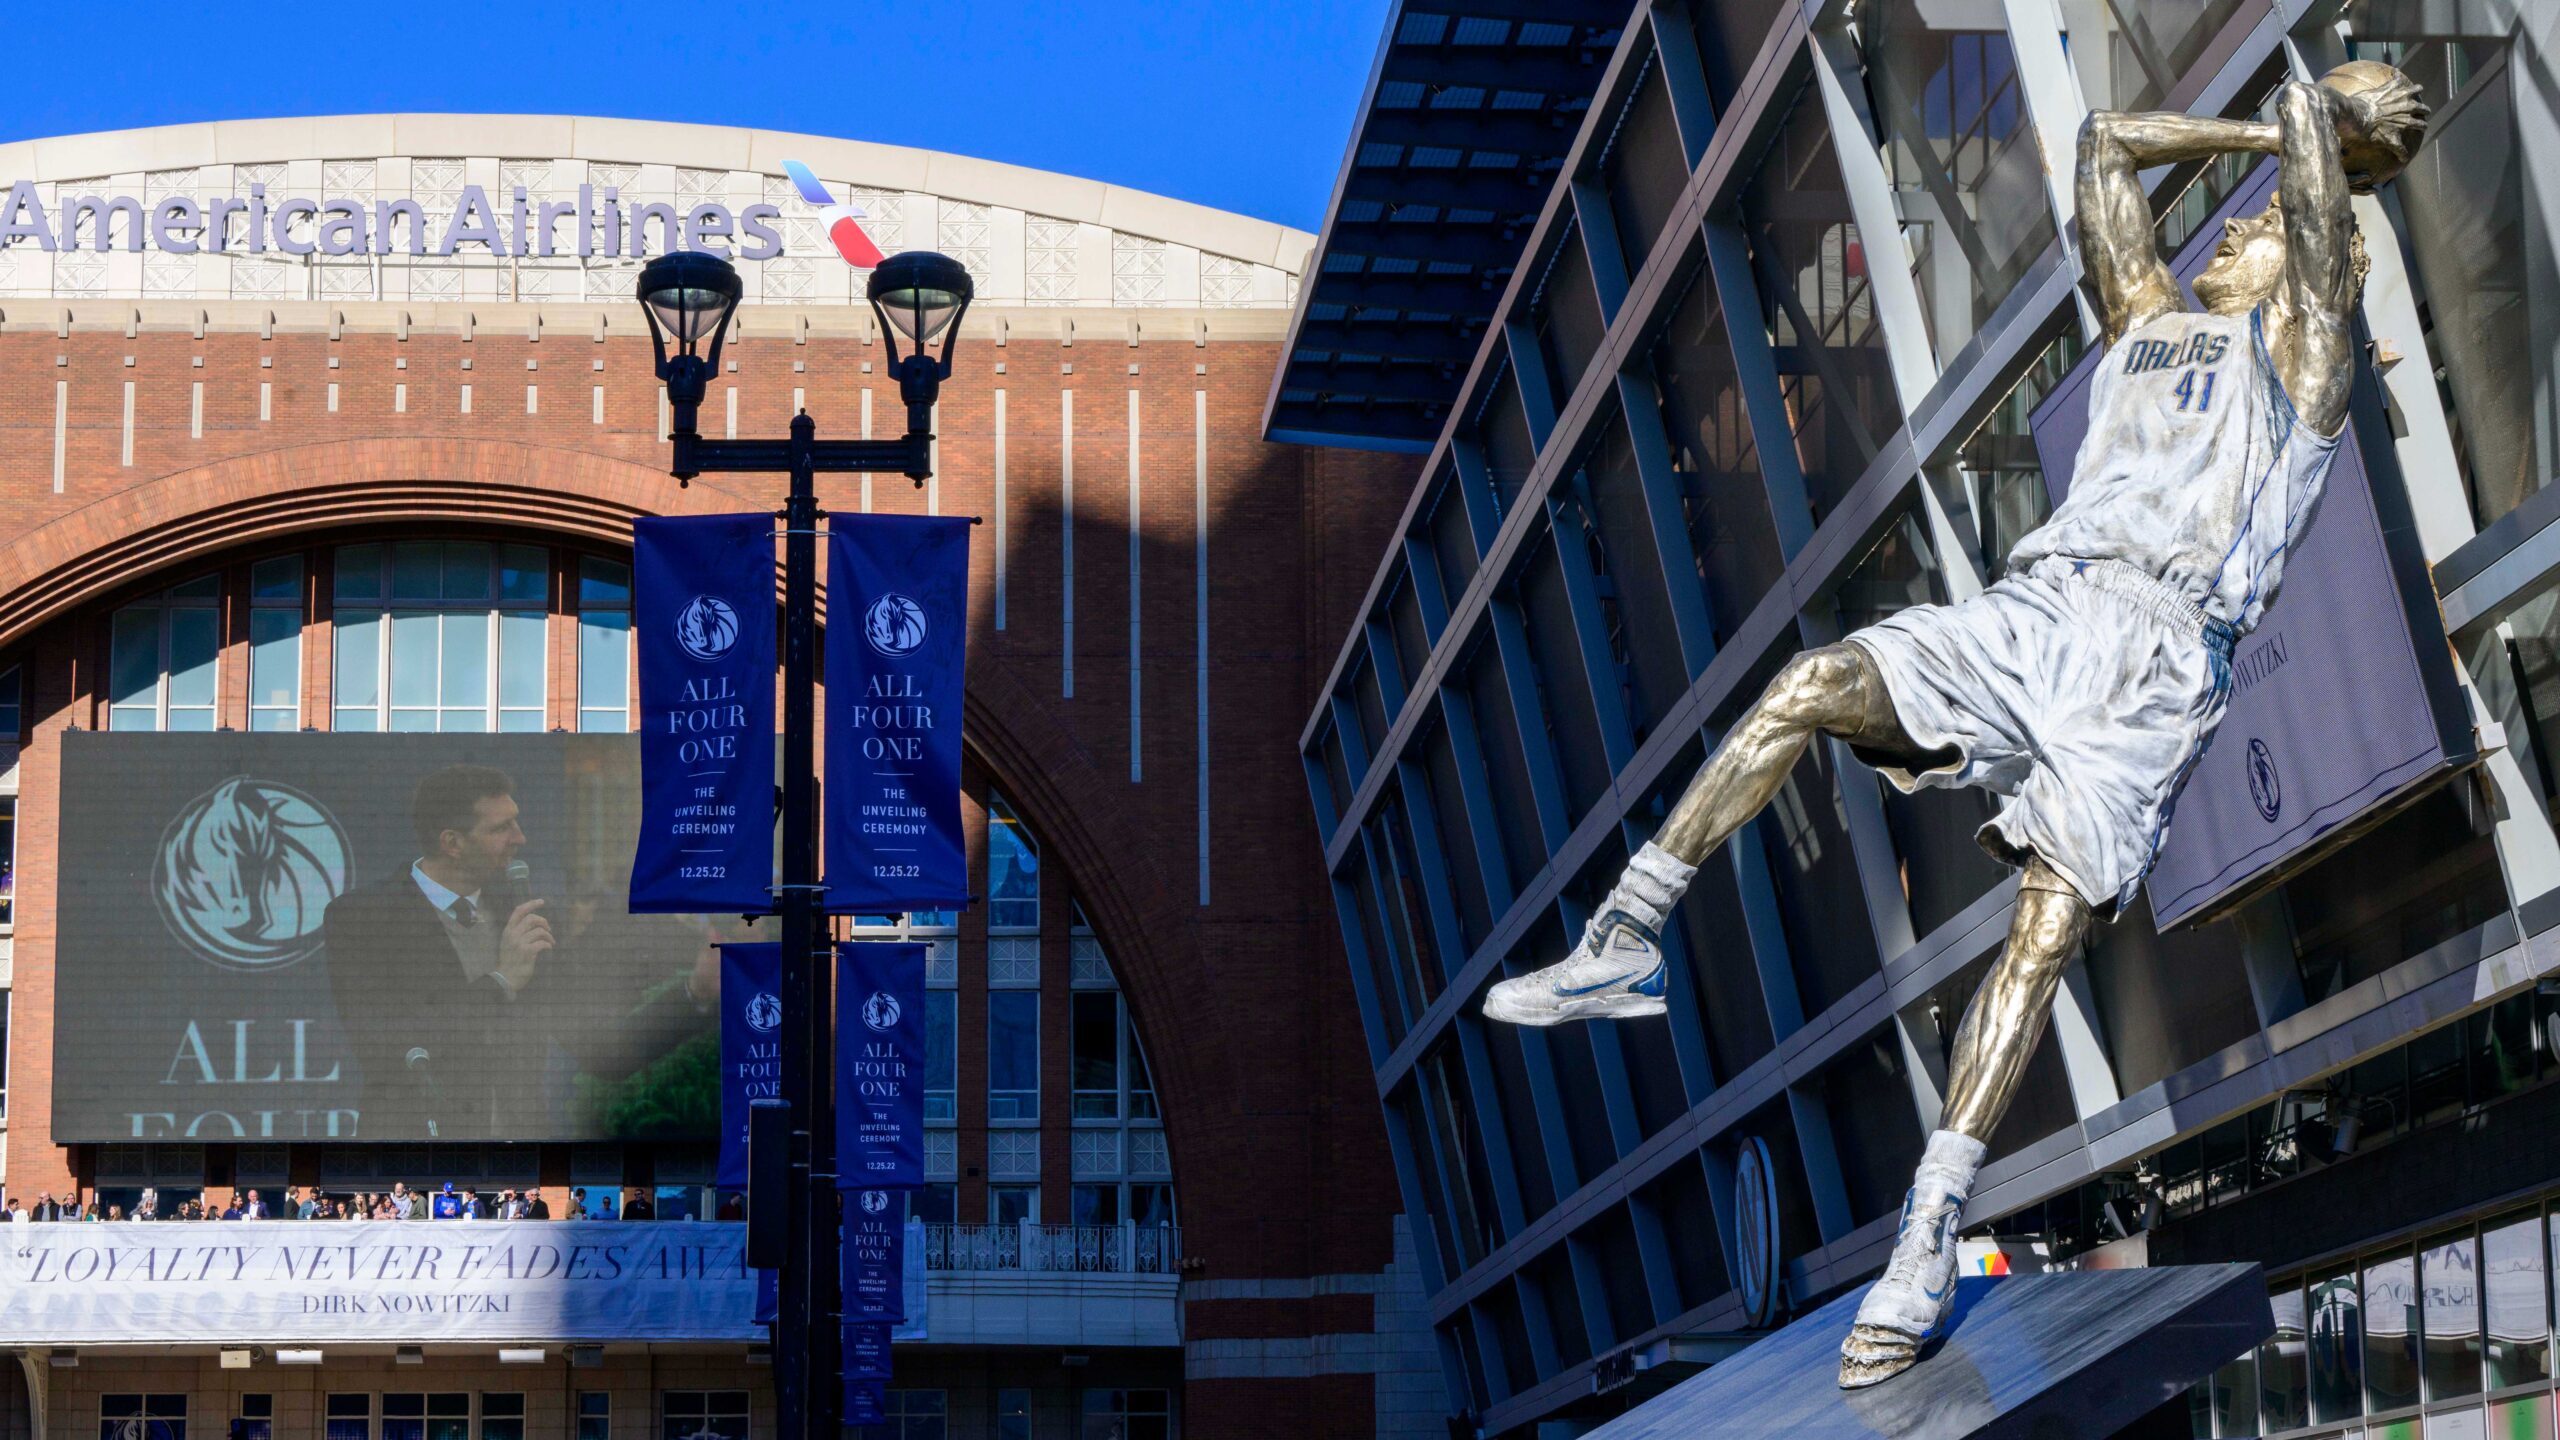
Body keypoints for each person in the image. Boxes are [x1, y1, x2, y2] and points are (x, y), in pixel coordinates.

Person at [1478, 61, 2429, 1390]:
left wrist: (2316, 134)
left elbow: (2321, 219)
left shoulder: (2306, 365)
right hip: (2041, 605)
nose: (2235, 231)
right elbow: (2103, 142)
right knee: (1813, 684)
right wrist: (2263, 125)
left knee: (2042, 931)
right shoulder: (2146, 320)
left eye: (2257, 226)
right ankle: (1624, 938)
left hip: (2152, 662)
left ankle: (1928, 1235)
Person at [322, 765, 559, 1138]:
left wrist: (686, 992)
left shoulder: (524, 912)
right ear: (452, 843)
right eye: (501, 828)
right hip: (415, 1154)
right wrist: (500, 982)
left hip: (524, 1157)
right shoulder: (363, 918)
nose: (520, 838)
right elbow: (386, 1044)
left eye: (516, 822)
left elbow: (593, 1038)